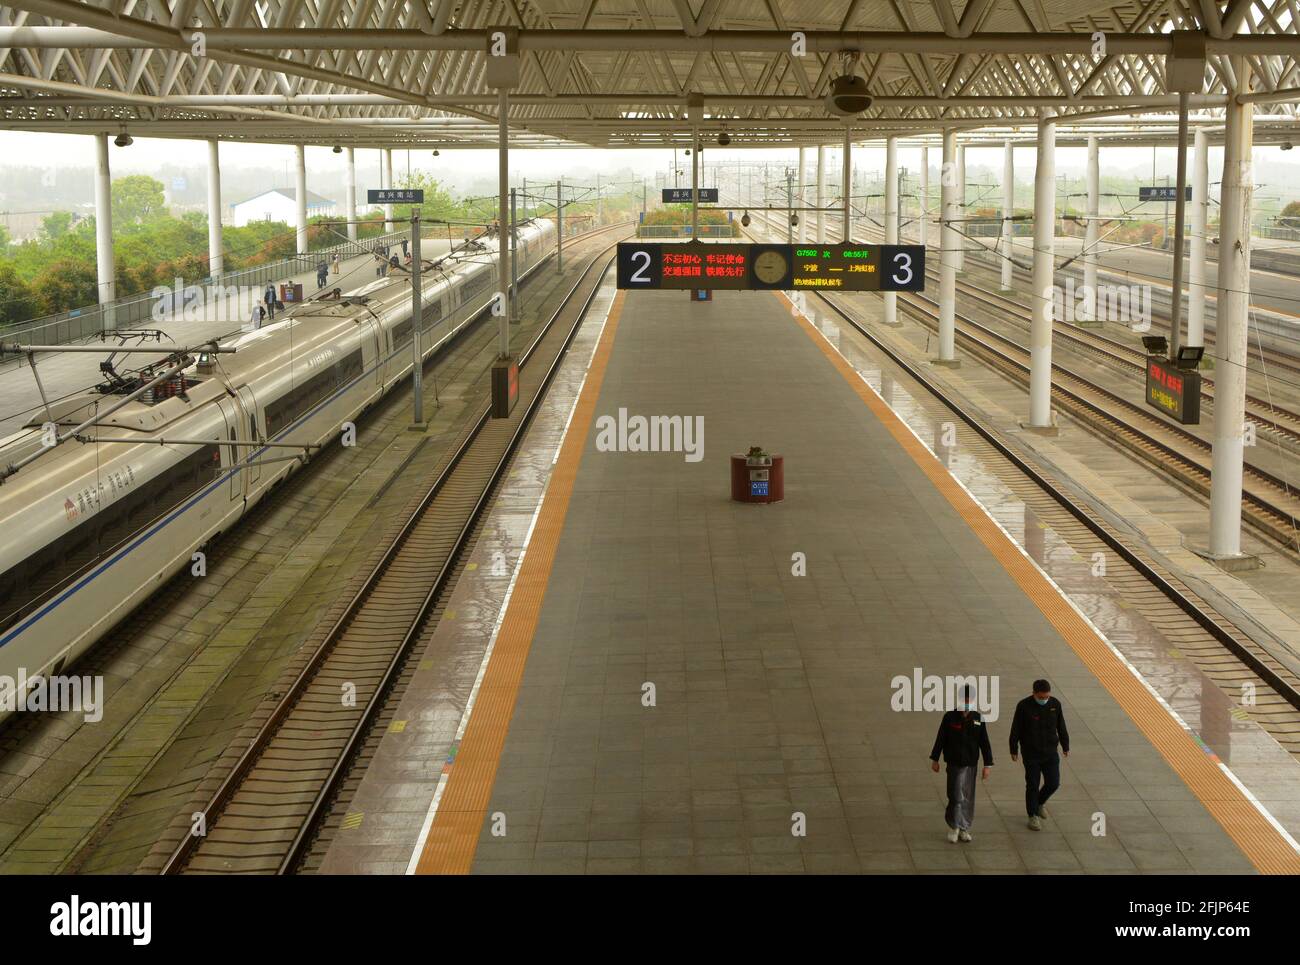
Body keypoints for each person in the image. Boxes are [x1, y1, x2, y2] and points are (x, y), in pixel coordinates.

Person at [929, 685, 993, 843]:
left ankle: (964, 827)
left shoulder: (978, 718)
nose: (966, 703)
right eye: (964, 700)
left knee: (968, 797)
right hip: (954, 764)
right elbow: (941, 738)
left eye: (969, 700)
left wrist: (987, 764)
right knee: (956, 795)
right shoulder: (950, 717)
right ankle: (953, 826)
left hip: (971, 764)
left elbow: (984, 742)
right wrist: (935, 759)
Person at [1009, 678, 1070, 831]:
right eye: (1041, 697)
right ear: (1034, 693)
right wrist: (1013, 749)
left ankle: (1039, 803)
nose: (1044, 700)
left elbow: (1061, 725)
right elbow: (1016, 728)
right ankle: (1032, 816)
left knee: (1053, 783)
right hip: (1031, 754)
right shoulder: (1023, 706)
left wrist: (1065, 745)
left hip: (1050, 752)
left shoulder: (1055, 704)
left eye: (1046, 697)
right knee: (1032, 785)